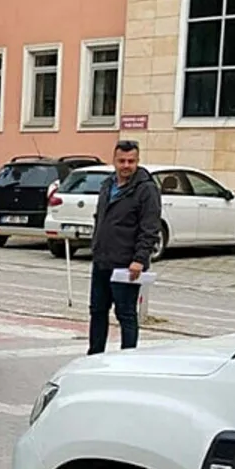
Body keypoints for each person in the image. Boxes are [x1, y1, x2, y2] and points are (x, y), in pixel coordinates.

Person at [88, 139, 161, 355]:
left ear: (137, 161)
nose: (126, 165)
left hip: (127, 265)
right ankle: (94, 355)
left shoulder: (146, 189)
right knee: (97, 311)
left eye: (131, 161)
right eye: (122, 161)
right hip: (102, 260)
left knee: (126, 313)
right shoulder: (107, 185)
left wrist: (139, 259)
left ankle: (128, 357)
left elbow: (150, 227)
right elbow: (101, 218)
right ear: (114, 161)